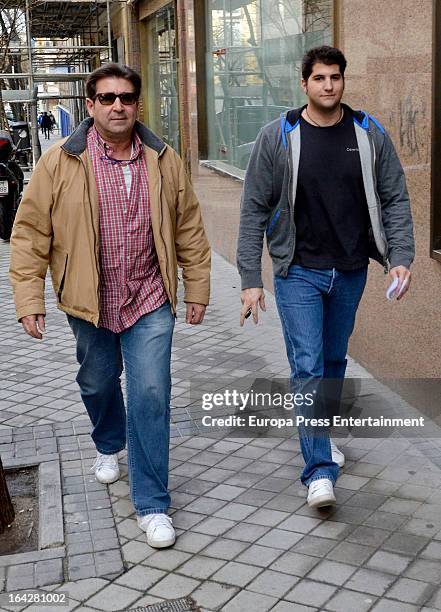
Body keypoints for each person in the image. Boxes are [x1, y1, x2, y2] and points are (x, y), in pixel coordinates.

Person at [10, 63, 211, 547]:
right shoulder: (60, 160)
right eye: (106, 98)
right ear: (90, 105)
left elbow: (188, 226)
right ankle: (107, 442)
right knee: (97, 382)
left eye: (125, 97)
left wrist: (199, 288)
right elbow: (31, 233)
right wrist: (28, 299)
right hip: (89, 302)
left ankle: (153, 503)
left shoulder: (163, 159)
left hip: (149, 298)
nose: (117, 105)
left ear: (137, 103)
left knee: (150, 393)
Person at [237, 46, 414, 509]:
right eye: (319, 78)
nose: (329, 85)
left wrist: (400, 256)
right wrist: (250, 277)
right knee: (309, 369)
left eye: (335, 77)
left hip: (351, 270)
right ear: (304, 84)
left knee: (333, 364)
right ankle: (318, 470)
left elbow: (395, 197)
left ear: (343, 81)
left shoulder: (369, 132)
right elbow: (254, 206)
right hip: (298, 273)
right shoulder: (278, 135)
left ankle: (320, 435)